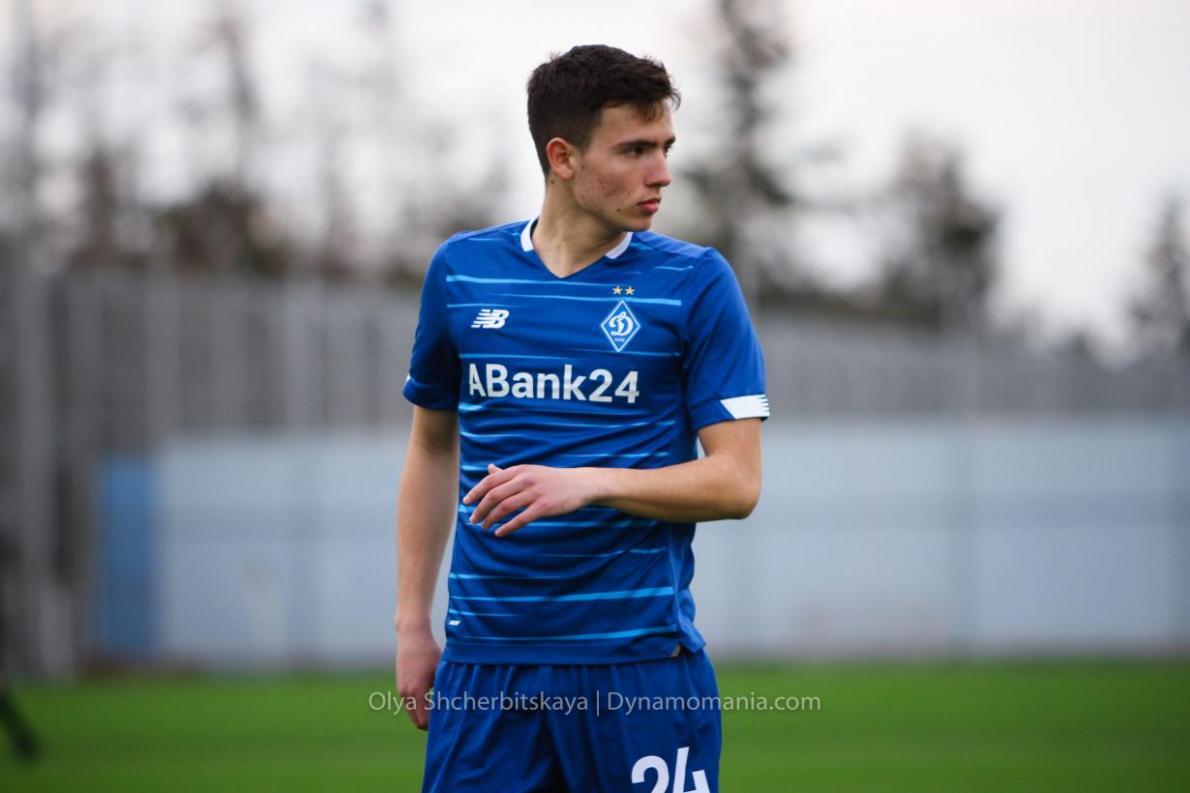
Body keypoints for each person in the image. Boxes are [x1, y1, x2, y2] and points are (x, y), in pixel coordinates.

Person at [395, 44, 768, 792]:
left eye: (664, 148)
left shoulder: (694, 283)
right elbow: (432, 448)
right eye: (634, 150)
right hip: (486, 669)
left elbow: (737, 482)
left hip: (638, 668)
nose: (660, 173)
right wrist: (411, 622)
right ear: (562, 157)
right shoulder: (462, 273)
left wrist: (587, 483)